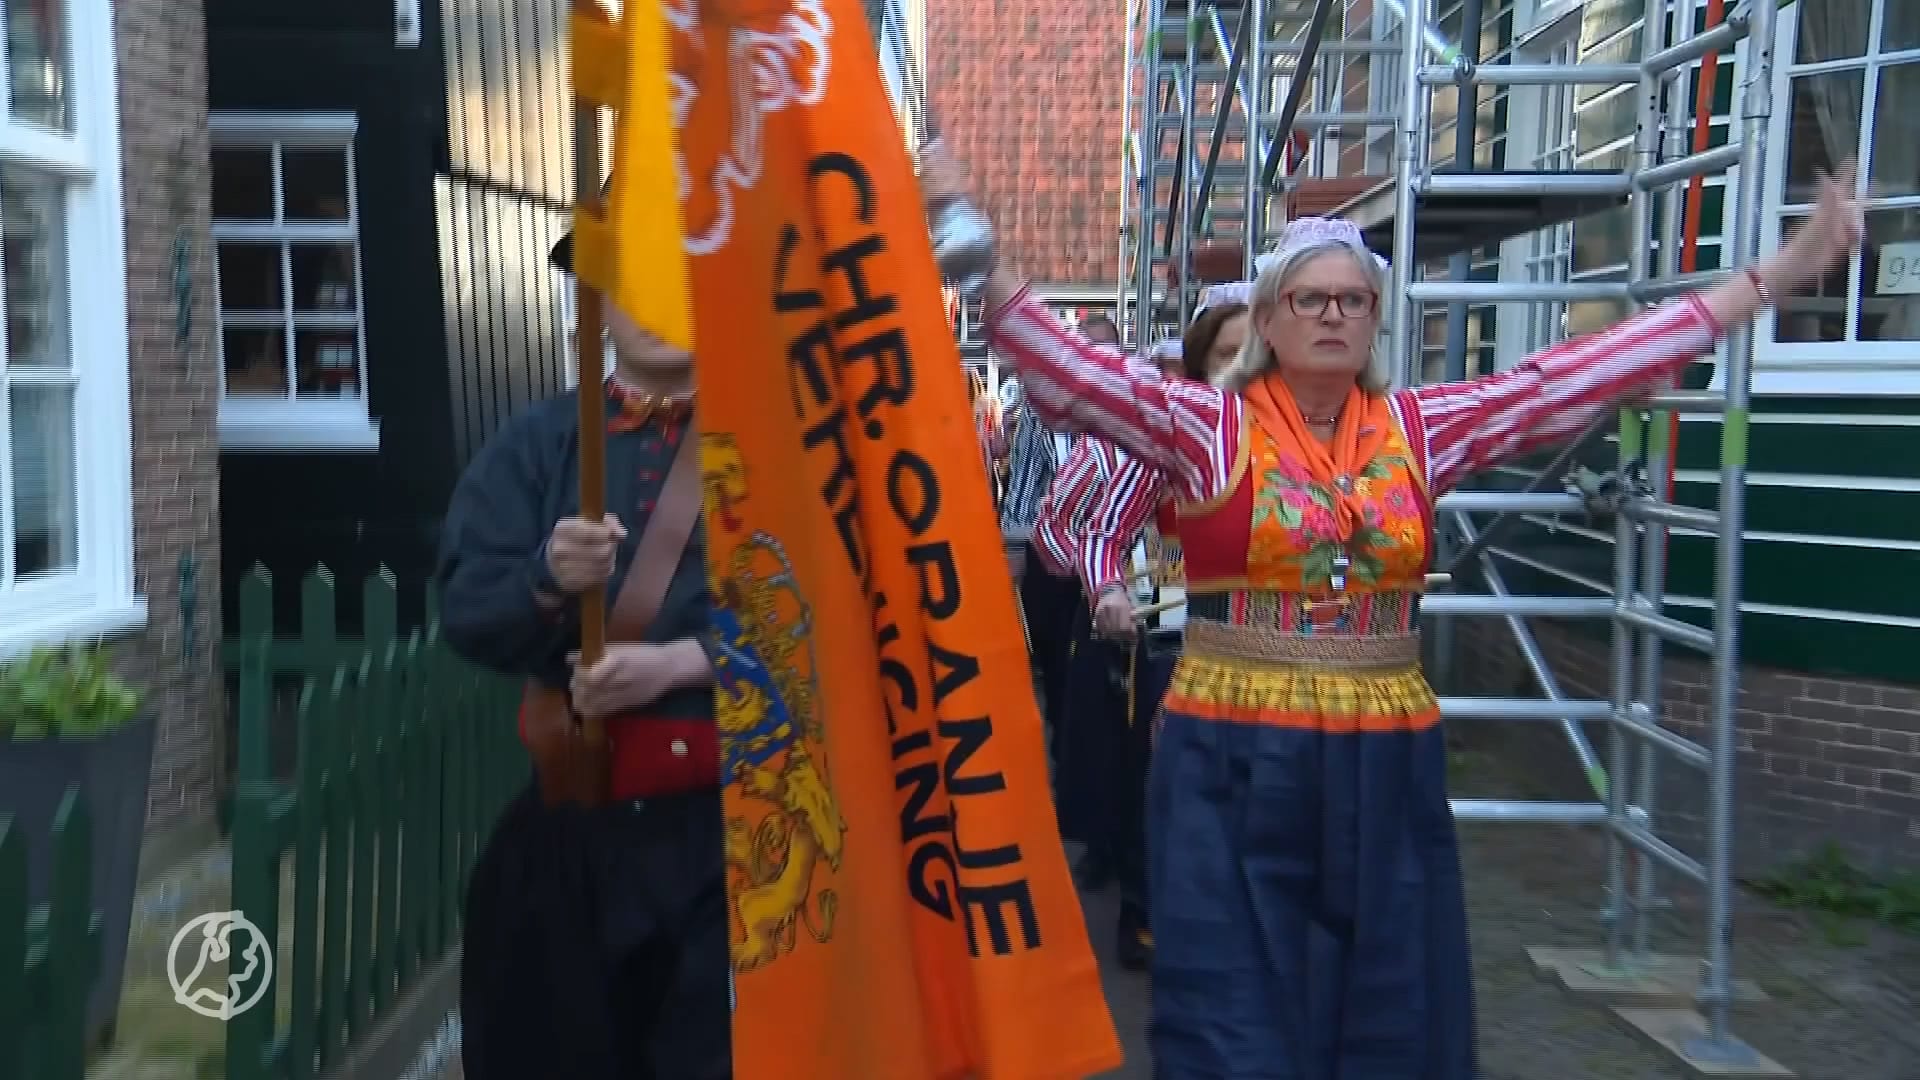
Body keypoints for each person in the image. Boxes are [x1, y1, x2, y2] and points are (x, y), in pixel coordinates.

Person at [923, 143, 1864, 1077]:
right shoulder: (1207, 426)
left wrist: (1779, 273)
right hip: (1233, 750)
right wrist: (966, 236)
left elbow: (1587, 372)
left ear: (1376, 318)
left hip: (1386, 755)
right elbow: (1074, 369)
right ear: (1267, 317)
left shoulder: (1421, 429)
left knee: (1395, 1010)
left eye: (1354, 300)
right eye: (1310, 299)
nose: (1334, 316)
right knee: (1230, 1005)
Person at [436, 225, 731, 1079]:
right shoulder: (537, 444)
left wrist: (683, 665)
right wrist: (546, 578)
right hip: (571, 838)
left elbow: (830, 623)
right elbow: (465, 606)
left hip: (742, 847)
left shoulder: (780, 450)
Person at [1071, 293, 1252, 974]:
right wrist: (1110, 589)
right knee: (1166, 777)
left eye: (1251, 354)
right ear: (1202, 365)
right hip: (1181, 628)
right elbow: (1100, 533)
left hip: (1287, 648)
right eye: (1226, 355)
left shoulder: (1306, 437)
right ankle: (1147, 912)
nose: (1242, 369)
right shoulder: (1175, 441)